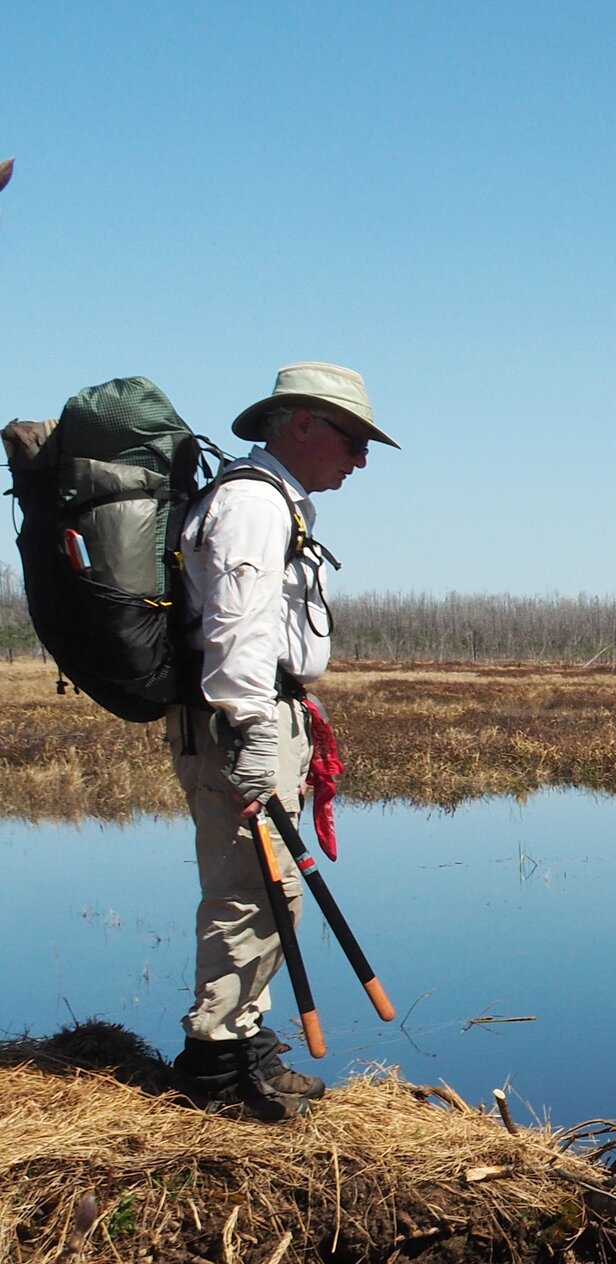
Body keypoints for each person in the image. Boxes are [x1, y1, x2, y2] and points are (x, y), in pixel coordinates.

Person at [165, 363, 397, 1121]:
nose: (359, 459)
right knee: (248, 890)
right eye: (353, 438)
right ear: (301, 424)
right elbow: (238, 627)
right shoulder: (253, 505)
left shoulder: (271, 502)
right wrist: (253, 729)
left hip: (264, 715)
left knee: (274, 893)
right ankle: (216, 1067)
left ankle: (240, 1039)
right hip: (246, 721)